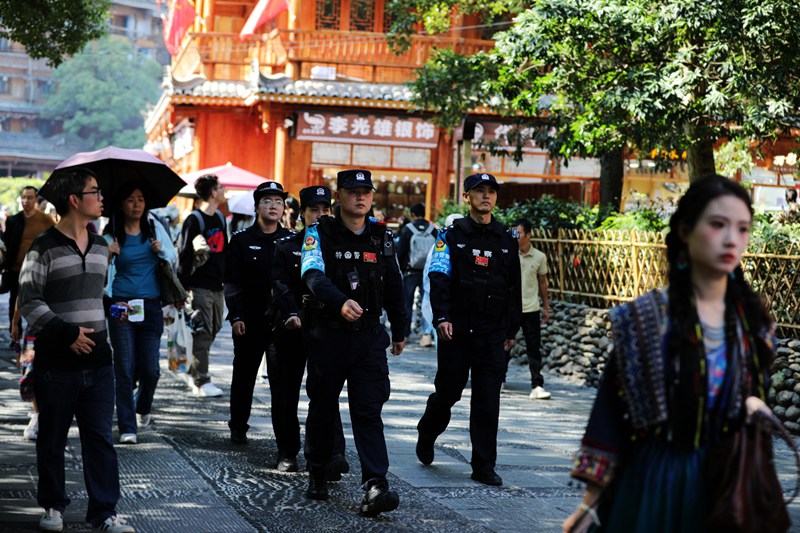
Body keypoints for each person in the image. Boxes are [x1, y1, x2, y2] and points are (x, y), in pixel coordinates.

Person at [563, 175, 776, 532]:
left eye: (742, 228)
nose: (731, 239)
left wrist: (751, 405)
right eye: (717, 224)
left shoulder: (752, 321)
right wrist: (588, 506)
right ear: (685, 230)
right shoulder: (645, 318)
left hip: (727, 486)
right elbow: (611, 413)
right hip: (655, 484)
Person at [18, 167, 135, 532]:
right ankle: (52, 506)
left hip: (100, 360)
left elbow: (93, 293)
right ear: (74, 200)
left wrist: (114, 307)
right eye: (94, 192)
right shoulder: (43, 248)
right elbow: (29, 300)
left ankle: (105, 512)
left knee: (99, 439)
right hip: (57, 361)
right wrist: (66, 332)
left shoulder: (102, 246)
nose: (101, 198)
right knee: (52, 437)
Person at [300, 169, 407, 516]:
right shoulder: (319, 233)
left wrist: (401, 327)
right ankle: (317, 469)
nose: (360, 197)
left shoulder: (381, 237)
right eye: (353, 191)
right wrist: (338, 301)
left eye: (366, 191)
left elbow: (393, 284)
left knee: (368, 410)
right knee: (322, 406)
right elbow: (312, 274)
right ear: (339, 196)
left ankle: (376, 484)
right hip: (328, 335)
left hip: (369, 338)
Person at [416, 172, 522, 487]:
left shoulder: (506, 238)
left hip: (492, 331)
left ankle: (483, 465)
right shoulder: (450, 235)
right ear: (467, 197)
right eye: (479, 192)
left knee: (488, 399)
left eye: (491, 192)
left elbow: (514, 286)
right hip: (457, 329)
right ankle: (428, 429)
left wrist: (510, 330)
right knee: (449, 391)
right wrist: (441, 317)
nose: (486, 196)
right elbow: (438, 277)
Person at [271, 184, 349, 479]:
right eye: (313, 210)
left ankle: (333, 453)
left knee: (327, 390)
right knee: (286, 393)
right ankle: (287, 452)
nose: (319, 216)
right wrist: (291, 313)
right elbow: (281, 285)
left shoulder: (339, 247)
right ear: (301, 214)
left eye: (325, 210)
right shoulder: (288, 246)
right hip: (291, 327)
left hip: (326, 329)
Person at [224, 181, 294, 455]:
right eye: (268, 201)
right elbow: (231, 281)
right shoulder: (241, 240)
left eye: (278, 202)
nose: (274, 206)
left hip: (280, 324)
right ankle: (238, 425)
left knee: (281, 381)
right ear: (256, 208)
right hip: (249, 320)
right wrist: (236, 315)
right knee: (244, 375)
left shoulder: (290, 240)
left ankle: (284, 437)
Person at [104, 183, 177, 444]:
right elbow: (98, 277)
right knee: (123, 368)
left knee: (151, 371)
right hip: (120, 306)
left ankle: (142, 406)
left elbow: (173, 258)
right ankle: (127, 427)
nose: (136, 204)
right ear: (121, 205)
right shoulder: (110, 235)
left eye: (141, 199)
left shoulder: (155, 228)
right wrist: (106, 254)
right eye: (131, 200)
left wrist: (162, 250)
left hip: (150, 306)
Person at [177, 174, 228, 397]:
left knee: (215, 327)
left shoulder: (220, 217)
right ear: (213, 193)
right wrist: (181, 289)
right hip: (198, 286)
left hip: (218, 284)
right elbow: (183, 256)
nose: (224, 189)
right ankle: (202, 380)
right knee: (204, 332)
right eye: (221, 187)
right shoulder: (193, 220)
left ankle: (192, 369)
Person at [2, 186, 55, 343]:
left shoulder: (45, 220)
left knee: (36, 303)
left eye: (29, 197)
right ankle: (15, 335)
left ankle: (36, 335)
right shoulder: (13, 220)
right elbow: (7, 244)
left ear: (35, 199)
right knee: (14, 302)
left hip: (38, 271)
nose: (26, 201)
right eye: (23, 197)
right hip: (15, 270)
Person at [513, 219, 551, 400]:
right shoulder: (509, 254)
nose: (515, 237)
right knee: (504, 345)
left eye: (518, 233)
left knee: (534, 348)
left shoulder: (539, 257)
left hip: (531, 308)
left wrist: (546, 306)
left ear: (528, 235)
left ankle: (537, 385)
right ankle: (498, 380)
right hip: (511, 308)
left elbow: (543, 282)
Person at [397, 203, 438, 346]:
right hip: (428, 272)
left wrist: (400, 269)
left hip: (410, 271)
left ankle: (405, 334)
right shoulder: (433, 230)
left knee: (407, 303)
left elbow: (401, 251)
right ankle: (426, 335)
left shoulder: (407, 229)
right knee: (427, 303)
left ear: (412, 215)